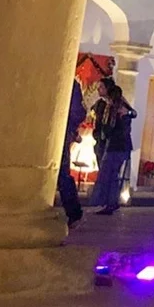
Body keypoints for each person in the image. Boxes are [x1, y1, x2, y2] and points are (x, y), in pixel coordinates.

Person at [90, 86, 137, 215]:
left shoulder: (117, 110)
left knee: (110, 174)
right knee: (112, 174)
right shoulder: (119, 109)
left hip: (117, 146)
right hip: (119, 146)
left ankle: (110, 202)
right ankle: (111, 202)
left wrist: (104, 133)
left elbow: (114, 128)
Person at [58, 79, 87, 228]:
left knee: (62, 174)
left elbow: (79, 112)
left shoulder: (71, 83)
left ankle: (74, 213)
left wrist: (69, 129)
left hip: (60, 134)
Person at [91, 76, 117, 167]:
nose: (98, 89)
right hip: (99, 141)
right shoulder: (99, 104)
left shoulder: (115, 105)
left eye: (101, 87)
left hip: (110, 143)